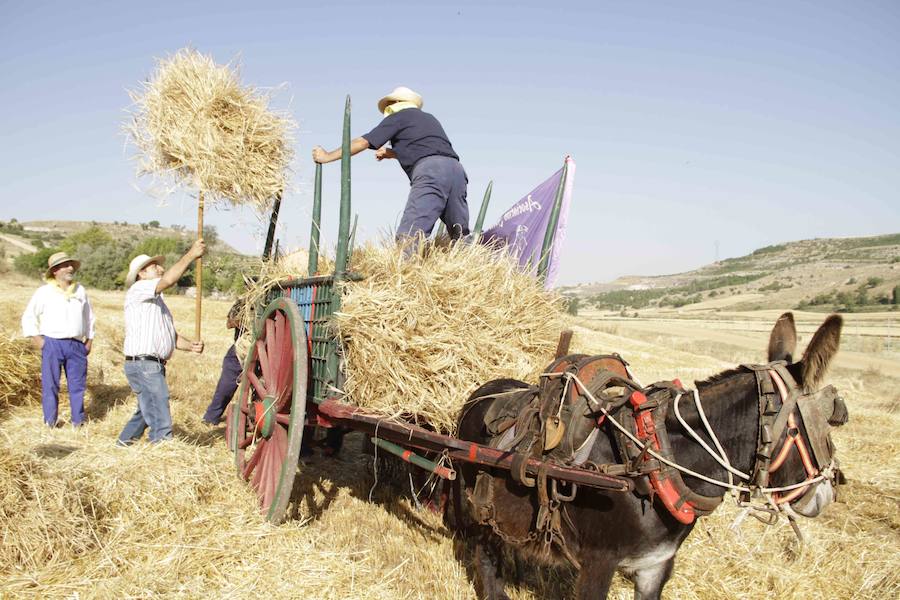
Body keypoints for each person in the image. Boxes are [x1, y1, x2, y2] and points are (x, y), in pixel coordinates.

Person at [312, 86, 469, 240]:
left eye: (389, 104)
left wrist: (327, 156)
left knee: (409, 236)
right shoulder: (429, 118)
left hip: (432, 172)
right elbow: (427, 148)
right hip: (457, 171)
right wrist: (393, 154)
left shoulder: (399, 116)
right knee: (460, 234)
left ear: (397, 102)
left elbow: (363, 142)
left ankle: (407, 267)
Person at [117, 239, 206, 445]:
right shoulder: (139, 289)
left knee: (145, 410)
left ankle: (123, 445)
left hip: (149, 364)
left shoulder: (158, 302)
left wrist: (190, 345)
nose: (161, 268)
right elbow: (168, 280)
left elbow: (170, 336)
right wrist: (191, 255)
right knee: (158, 406)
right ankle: (162, 446)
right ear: (141, 273)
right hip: (144, 364)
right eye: (155, 266)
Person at [21, 251, 95, 427]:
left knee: (77, 386)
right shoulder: (44, 292)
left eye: (70, 265)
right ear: (55, 271)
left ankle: (78, 422)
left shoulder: (80, 290)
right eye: (65, 265)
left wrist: (89, 340)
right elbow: (28, 317)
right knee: (51, 385)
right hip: (52, 343)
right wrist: (40, 341)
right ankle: (50, 423)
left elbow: (89, 318)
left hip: (77, 345)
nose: (70, 268)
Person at [201, 299, 244, 425]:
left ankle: (211, 417)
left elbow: (229, 324)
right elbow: (230, 323)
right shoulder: (244, 303)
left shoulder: (245, 301)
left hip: (245, 348)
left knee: (230, 370)